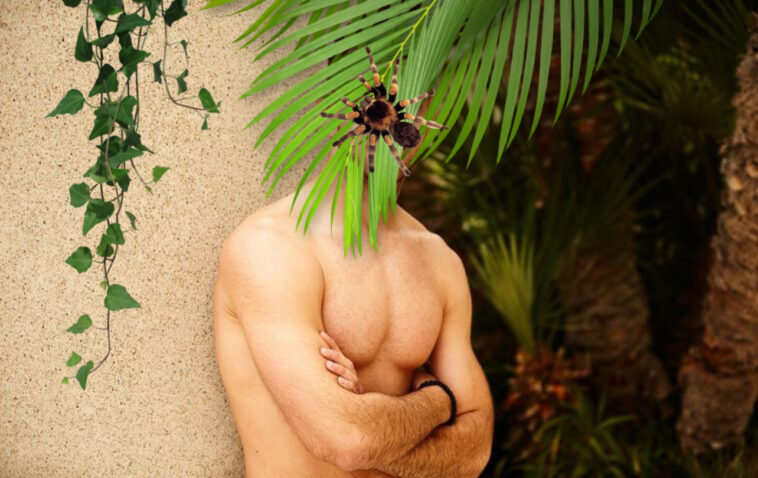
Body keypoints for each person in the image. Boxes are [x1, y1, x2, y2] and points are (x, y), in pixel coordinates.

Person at [212, 162, 494, 477]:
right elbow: (348, 441)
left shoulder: (438, 260)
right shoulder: (271, 246)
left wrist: (372, 428)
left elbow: (475, 452)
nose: (383, 133)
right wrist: (438, 401)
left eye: (414, 109)